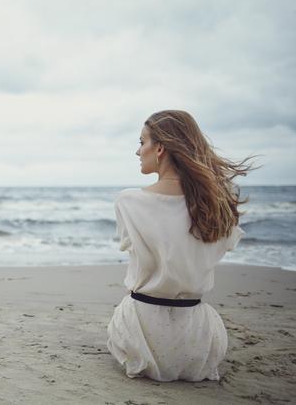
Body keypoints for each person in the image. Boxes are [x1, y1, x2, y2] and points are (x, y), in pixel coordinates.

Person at [106, 109, 260, 382]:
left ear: (161, 148)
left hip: (141, 335)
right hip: (199, 341)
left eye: (142, 142)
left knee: (123, 310)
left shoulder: (128, 202)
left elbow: (134, 248)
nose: (138, 151)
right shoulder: (216, 206)